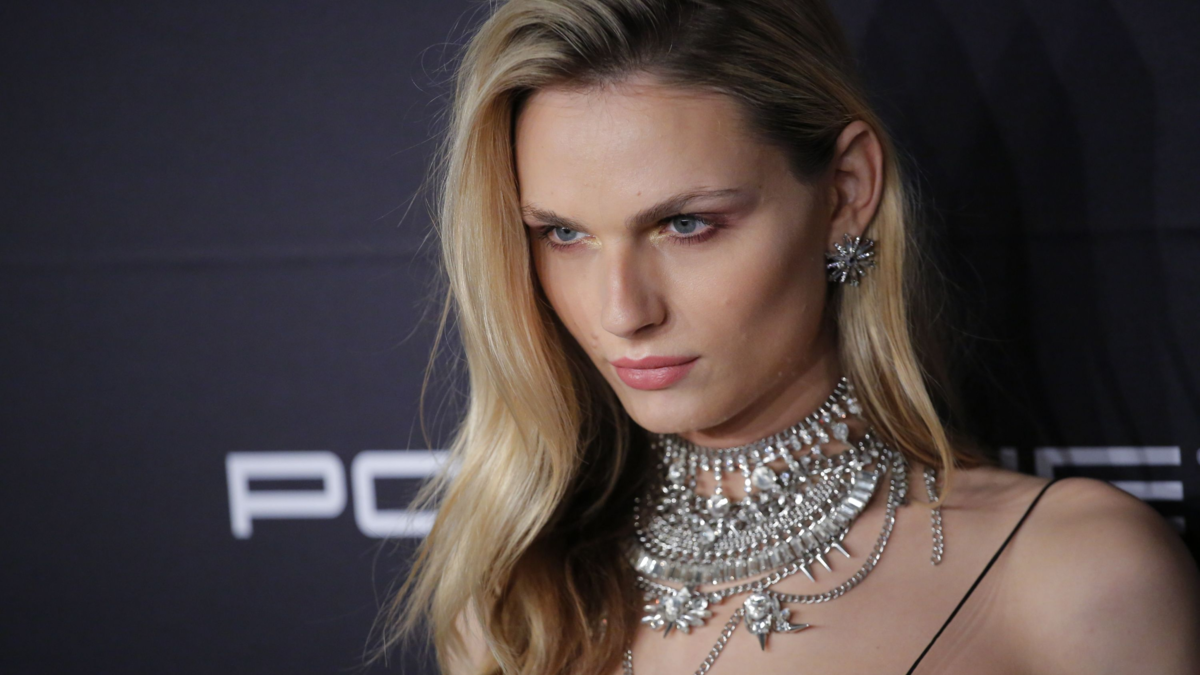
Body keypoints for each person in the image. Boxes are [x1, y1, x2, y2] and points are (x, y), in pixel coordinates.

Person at [372, 1, 1200, 673]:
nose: (621, 311)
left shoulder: (1074, 577)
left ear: (846, 191)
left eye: (686, 224)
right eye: (563, 234)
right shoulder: (515, 601)